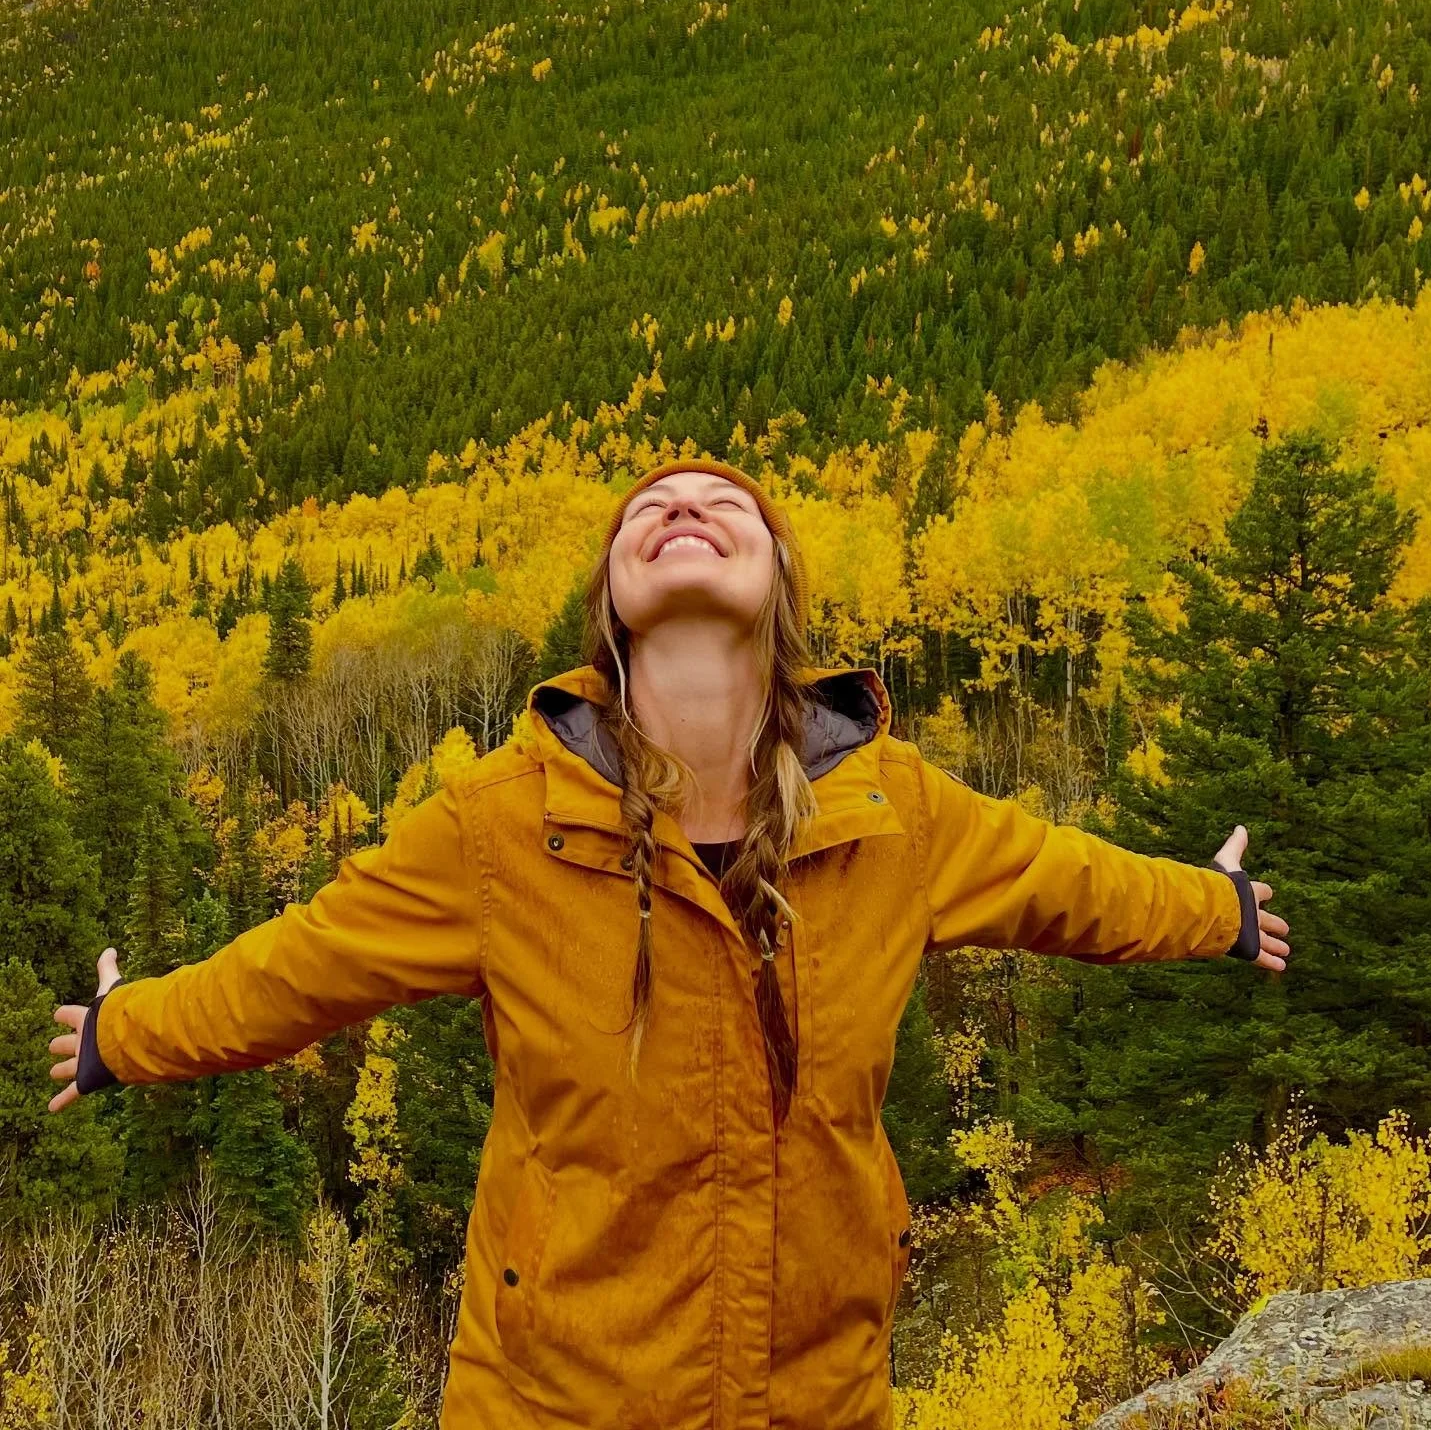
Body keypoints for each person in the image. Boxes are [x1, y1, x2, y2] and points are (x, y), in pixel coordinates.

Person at [47, 458, 1289, 1429]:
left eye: (721, 506)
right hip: (553, 1407)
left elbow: (1068, 883)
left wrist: (1217, 908)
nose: (686, 511)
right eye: (653, 507)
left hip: (821, 1396)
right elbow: (301, 969)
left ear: (783, 590)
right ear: (609, 604)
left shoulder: (896, 810)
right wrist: (125, 1031)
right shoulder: (499, 826)